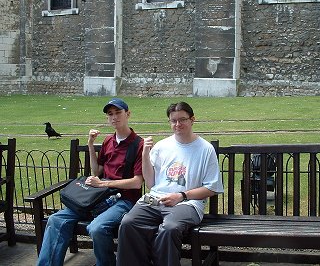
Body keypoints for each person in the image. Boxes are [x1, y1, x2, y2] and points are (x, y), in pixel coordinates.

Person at [37, 98, 144, 266]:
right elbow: (97, 172)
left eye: (118, 113)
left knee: (97, 228)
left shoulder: (138, 144)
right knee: (55, 220)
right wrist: (90, 145)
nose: (114, 117)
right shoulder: (109, 141)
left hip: (124, 200)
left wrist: (102, 184)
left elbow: (137, 183)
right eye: (110, 114)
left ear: (128, 114)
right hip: (99, 197)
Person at [117, 101, 224, 266]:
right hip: (155, 199)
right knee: (128, 223)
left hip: (188, 204)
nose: (177, 124)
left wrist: (181, 196)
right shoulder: (162, 146)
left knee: (170, 228)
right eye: (173, 120)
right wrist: (145, 154)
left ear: (192, 119)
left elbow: (212, 187)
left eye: (182, 119)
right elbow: (151, 183)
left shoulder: (205, 149)